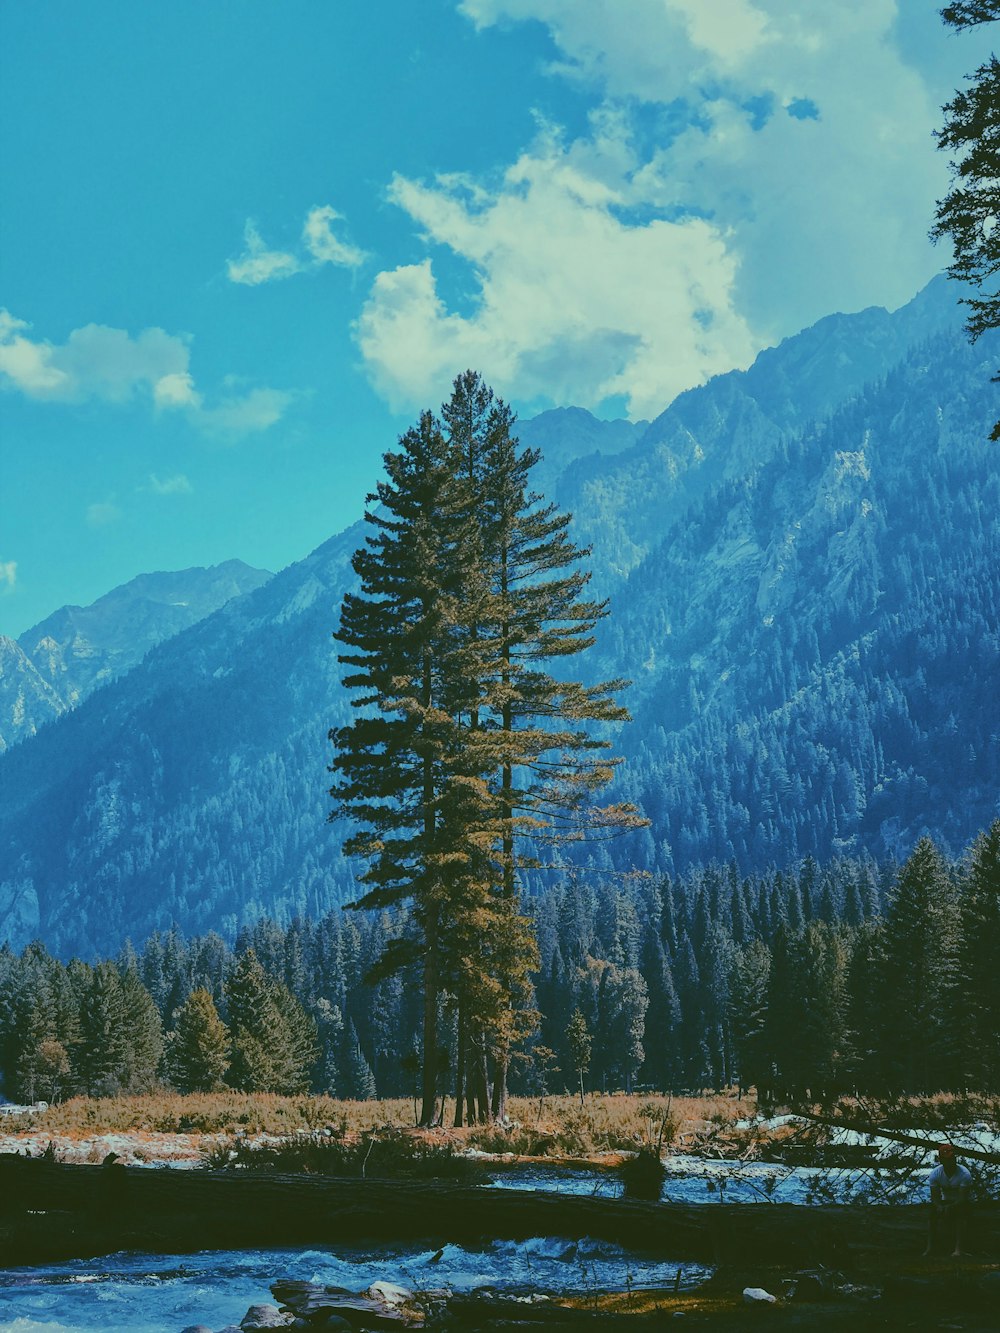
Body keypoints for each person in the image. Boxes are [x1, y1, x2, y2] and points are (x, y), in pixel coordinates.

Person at [923, 1143, 972, 1258]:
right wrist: (939, 1206)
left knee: (961, 1215)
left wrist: (951, 1207)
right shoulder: (935, 1174)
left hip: (960, 1202)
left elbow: (963, 1198)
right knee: (931, 1215)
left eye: (952, 1158)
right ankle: (930, 1248)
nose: (950, 1161)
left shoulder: (964, 1174)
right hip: (945, 1201)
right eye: (947, 1159)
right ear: (941, 1160)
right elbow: (935, 1196)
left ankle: (958, 1249)